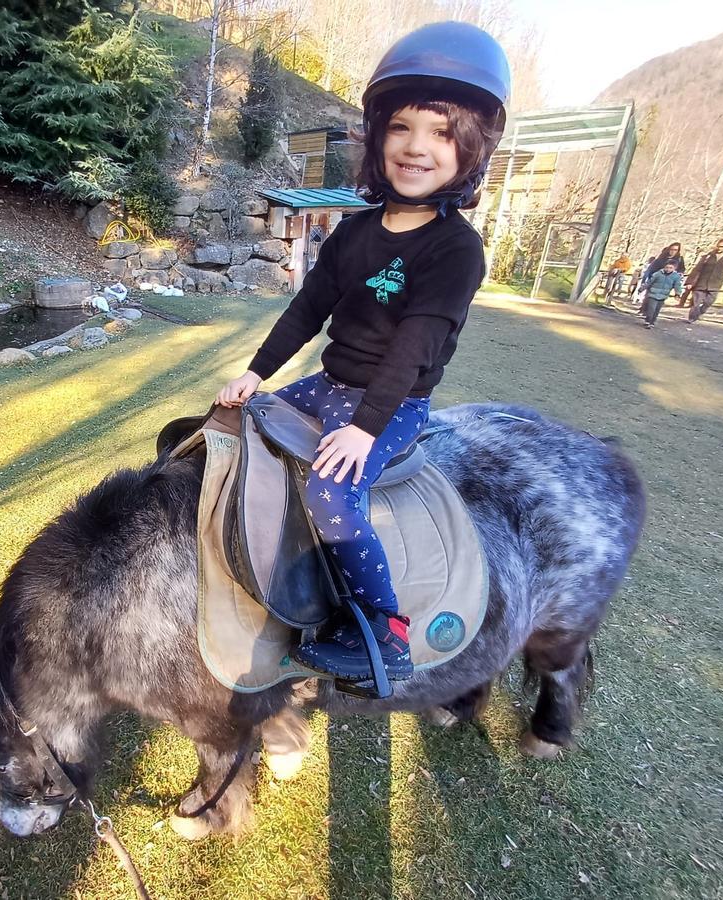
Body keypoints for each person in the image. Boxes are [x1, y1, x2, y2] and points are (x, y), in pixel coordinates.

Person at [214, 21, 509, 686]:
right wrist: (255, 375)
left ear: (472, 150)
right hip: (328, 382)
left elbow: (414, 348)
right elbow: (306, 310)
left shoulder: (455, 250)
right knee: (243, 428)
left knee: (332, 494)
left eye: (441, 133)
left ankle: (383, 628)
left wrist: (365, 427)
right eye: (402, 127)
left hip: (393, 403)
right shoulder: (353, 232)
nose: (416, 147)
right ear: (378, 136)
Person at [686, 238, 723, 322]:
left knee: (709, 302)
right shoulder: (709, 255)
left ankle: (700, 312)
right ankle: (692, 318)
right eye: (718, 246)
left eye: (722, 247)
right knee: (696, 302)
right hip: (701, 282)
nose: (719, 248)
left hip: (715, 283)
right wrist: (690, 281)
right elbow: (697, 268)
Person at [642, 262, 684, 327]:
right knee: (651, 308)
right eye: (667, 267)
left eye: (670, 268)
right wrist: (642, 288)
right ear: (664, 267)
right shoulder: (657, 274)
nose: (668, 269)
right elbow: (649, 282)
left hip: (663, 295)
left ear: (674, 268)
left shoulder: (676, 277)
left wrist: (677, 294)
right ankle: (648, 321)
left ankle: (652, 322)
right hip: (653, 293)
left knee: (657, 310)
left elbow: (677, 285)